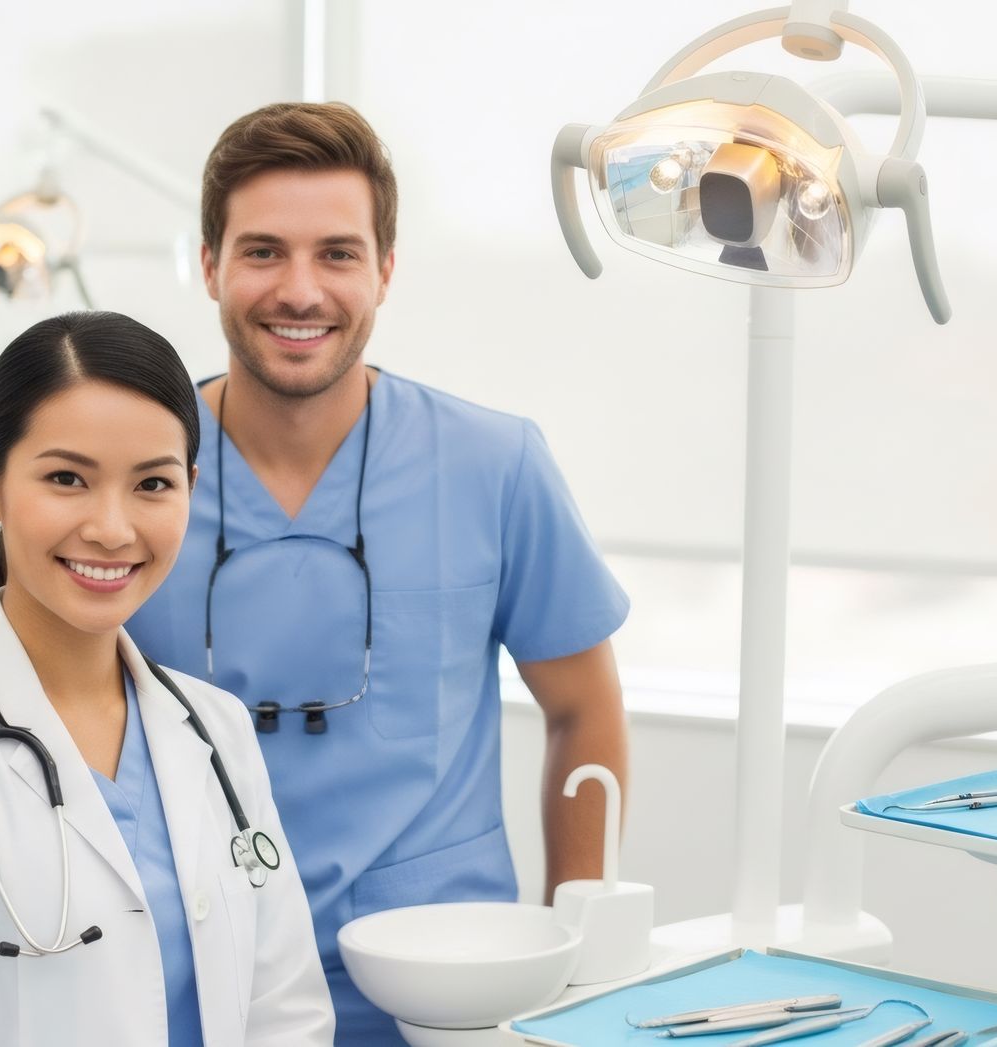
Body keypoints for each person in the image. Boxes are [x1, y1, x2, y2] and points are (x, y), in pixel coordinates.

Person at [125, 102, 633, 1043]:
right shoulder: (133, 481)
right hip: (192, 978)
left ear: (386, 270)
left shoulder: (494, 464)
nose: (300, 290)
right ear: (209, 266)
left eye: (339, 254)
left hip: (440, 982)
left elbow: (584, 709)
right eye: (264, 251)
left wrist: (578, 943)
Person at [0, 311, 333, 1046]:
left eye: (152, 482)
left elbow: (288, 1012)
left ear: (192, 487)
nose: (112, 528)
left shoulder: (217, 730)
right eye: (66, 478)